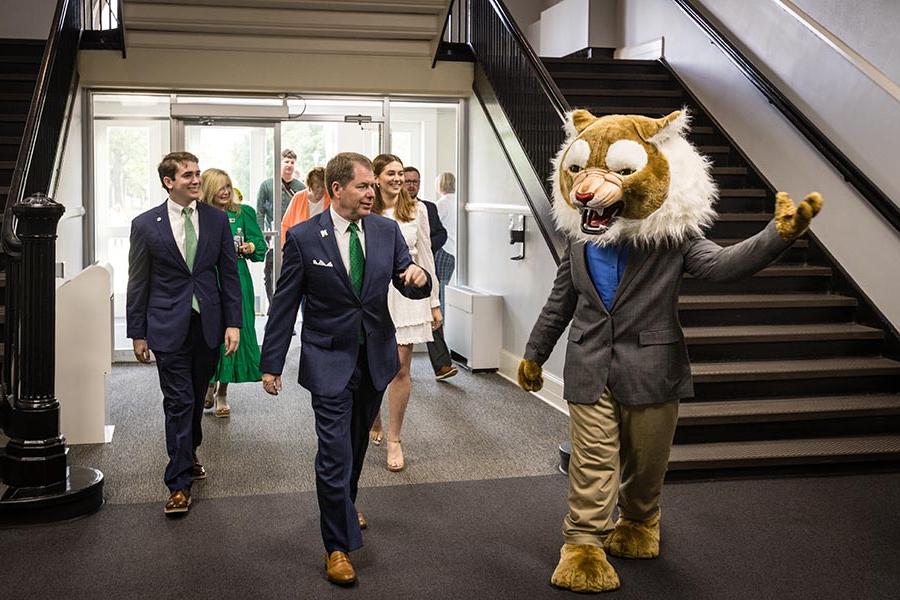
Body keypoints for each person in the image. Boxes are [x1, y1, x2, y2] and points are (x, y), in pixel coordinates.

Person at [259, 152, 431, 586]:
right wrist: (271, 363)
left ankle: (344, 503)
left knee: (354, 448)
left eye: (374, 185)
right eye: (363, 186)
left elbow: (406, 279)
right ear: (337, 190)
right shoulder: (303, 237)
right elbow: (285, 305)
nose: (373, 192)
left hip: (374, 359)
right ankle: (336, 546)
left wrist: (417, 277)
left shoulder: (385, 230)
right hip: (327, 360)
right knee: (333, 452)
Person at [126, 151, 241, 515]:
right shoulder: (146, 224)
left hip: (207, 324)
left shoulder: (217, 220)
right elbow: (138, 281)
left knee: (193, 395)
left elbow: (229, 274)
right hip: (166, 324)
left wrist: (234, 322)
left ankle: (189, 451)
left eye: (197, 174)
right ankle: (178, 484)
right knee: (178, 400)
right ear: (168, 182)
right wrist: (137, 332)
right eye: (187, 175)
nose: (195, 180)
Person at [367, 155, 441, 472]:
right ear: (376, 178)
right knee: (371, 368)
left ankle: (395, 438)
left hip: (408, 296)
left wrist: (433, 301)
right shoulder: (366, 209)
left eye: (401, 173)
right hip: (373, 296)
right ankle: (374, 417)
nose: (398, 179)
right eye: (391, 174)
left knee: (400, 369)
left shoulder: (416, 209)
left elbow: (425, 256)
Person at [200, 169, 266, 417]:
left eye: (228, 186)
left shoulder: (243, 212)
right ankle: (208, 383)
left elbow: (261, 246)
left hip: (237, 279)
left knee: (233, 334)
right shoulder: (199, 214)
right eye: (220, 187)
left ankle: (222, 392)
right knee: (210, 334)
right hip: (208, 280)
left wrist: (249, 247)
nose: (226, 192)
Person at [403, 165, 457, 384]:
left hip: (423, 271)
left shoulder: (428, 208)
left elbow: (440, 234)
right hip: (397, 273)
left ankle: (442, 365)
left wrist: (423, 247)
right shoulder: (387, 208)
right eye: (408, 180)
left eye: (415, 181)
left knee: (431, 313)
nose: (411, 184)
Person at [256, 149, 306, 305]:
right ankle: (273, 306)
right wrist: (261, 236)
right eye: (286, 161)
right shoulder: (267, 185)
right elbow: (260, 212)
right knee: (270, 273)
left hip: (295, 237)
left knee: (295, 274)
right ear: (279, 163)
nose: (289, 165)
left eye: (292, 162)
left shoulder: (301, 187)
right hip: (273, 237)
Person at [280, 166, 330, 245]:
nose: (321, 190)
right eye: (317, 187)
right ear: (310, 186)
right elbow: (285, 225)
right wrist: (284, 247)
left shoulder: (330, 199)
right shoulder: (298, 198)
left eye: (323, 187)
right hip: (301, 246)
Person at [434, 172, 457, 316]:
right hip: (454, 249)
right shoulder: (459, 201)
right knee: (446, 285)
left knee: (440, 288)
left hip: (443, 249)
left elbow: (432, 226)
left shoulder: (441, 204)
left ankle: (440, 322)